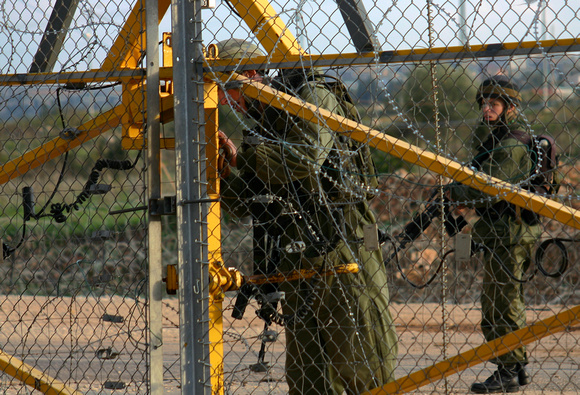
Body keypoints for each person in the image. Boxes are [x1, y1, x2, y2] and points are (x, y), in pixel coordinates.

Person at [214, 38, 398, 394]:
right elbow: (249, 202)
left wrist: (243, 160)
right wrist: (222, 175)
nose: (223, 101)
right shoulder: (263, 125)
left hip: (343, 247)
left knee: (363, 366)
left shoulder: (311, 96)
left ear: (252, 76)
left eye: (227, 89)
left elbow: (307, 158)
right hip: (298, 256)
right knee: (307, 379)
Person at [447, 75, 542, 393]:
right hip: (498, 233)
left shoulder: (511, 145)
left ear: (511, 109)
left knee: (504, 303)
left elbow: (486, 190)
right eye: (484, 104)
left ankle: (510, 368)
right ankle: (510, 366)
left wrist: (455, 192)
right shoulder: (493, 141)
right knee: (494, 304)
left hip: (511, 234)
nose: (487, 109)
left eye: (495, 104)